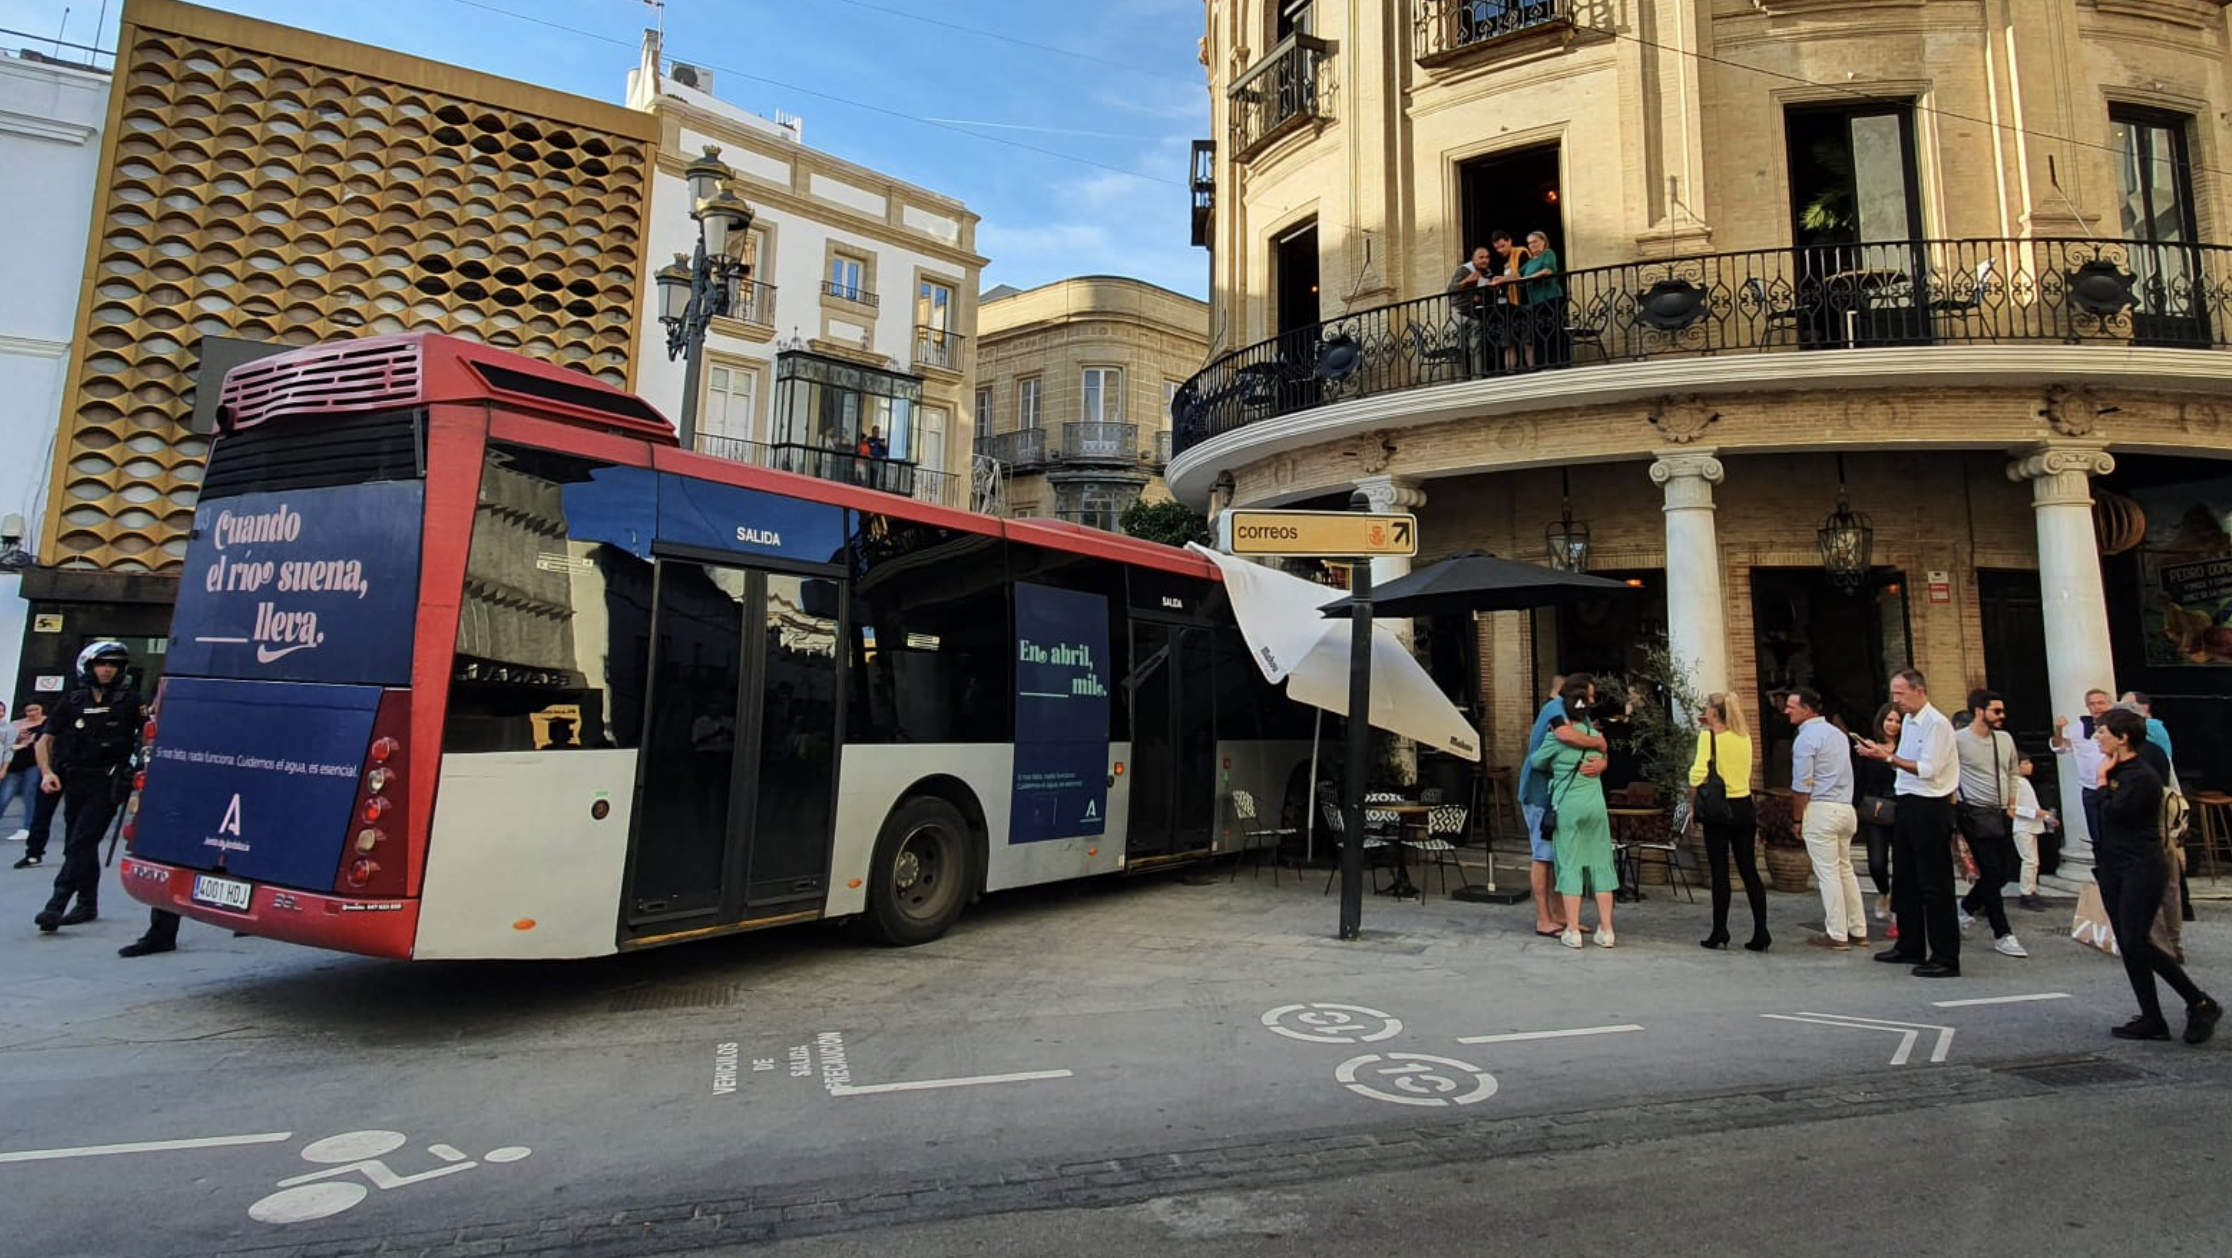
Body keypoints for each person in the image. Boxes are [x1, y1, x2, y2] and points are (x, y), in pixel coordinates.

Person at [2091, 707, 2218, 1045]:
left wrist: (2101, 783)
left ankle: (2200, 1002)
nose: (2097, 737)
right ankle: (2151, 1017)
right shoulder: (2116, 769)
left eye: (2102, 731)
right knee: (2128, 944)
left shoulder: (2141, 776)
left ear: (2122, 738)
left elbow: (2116, 813)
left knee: (2137, 940)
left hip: (2141, 866)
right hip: (2114, 865)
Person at [32, 641, 146, 934]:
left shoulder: (130, 701)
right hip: (74, 779)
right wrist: (46, 772)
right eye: (102, 664)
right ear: (89, 666)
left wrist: (139, 776)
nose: (107, 670)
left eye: (113, 665)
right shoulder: (72, 701)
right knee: (79, 842)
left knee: (81, 841)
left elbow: (148, 737)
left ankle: (55, 904)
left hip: (108, 780)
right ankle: (87, 902)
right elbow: (44, 739)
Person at [1856, 669, 1962, 978]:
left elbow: (1928, 768)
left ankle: (1945, 955)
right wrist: (1880, 753)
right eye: (1894, 693)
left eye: (1901, 693)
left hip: (1930, 805)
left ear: (1919, 691)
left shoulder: (1936, 724)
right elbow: (1903, 764)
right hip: (1907, 802)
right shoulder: (1911, 723)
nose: (1896, 700)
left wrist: (1887, 759)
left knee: (1935, 883)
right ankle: (1909, 944)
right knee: (1905, 879)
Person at [1529, 676, 1616, 949]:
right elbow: (1579, 739)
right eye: (1590, 696)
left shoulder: (1565, 731)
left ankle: (1572, 929)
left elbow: (1537, 759)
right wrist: (1599, 747)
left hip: (1567, 805)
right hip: (1595, 806)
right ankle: (1606, 930)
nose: (1593, 700)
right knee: (1601, 863)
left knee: (1568, 864)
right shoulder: (1584, 728)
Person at [1785, 687, 1864, 952]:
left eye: (1791, 706)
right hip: (1845, 807)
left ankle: (1837, 932)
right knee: (1845, 869)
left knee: (1828, 873)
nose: (1786, 711)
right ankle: (1858, 928)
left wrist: (1798, 818)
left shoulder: (1806, 739)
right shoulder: (1838, 734)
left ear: (1806, 709)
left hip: (1822, 808)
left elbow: (1801, 784)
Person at [1690, 692, 1768, 952]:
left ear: (1713, 711)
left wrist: (1692, 805)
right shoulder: (1744, 737)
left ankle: (1719, 929)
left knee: (1719, 870)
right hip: (1743, 804)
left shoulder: (1708, 737)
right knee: (1748, 868)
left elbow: (1698, 774)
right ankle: (1761, 930)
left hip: (1718, 808)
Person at [1954, 690, 2026, 958]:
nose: (2001, 716)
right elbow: (1949, 772)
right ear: (1978, 711)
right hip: (1973, 812)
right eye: (1996, 711)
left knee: (2002, 873)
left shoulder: (2004, 739)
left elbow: (2013, 772)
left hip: (2002, 812)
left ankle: (1966, 907)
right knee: (1991, 872)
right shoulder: (1958, 740)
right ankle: (2002, 933)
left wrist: (2012, 804)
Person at [1516, 673, 1573, 937]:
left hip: (1552, 796)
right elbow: (1556, 743)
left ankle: (1560, 914)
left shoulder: (1559, 709)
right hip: (1539, 795)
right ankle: (1543, 918)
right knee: (1543, 854)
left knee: (1557, 856)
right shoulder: (1555, 709)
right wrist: (1596, 742)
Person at [1854, 703, 1901, 928]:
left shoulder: (1906, 749)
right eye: (1889, 720)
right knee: (1876, 862)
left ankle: (1897, 907)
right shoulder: (1869, 748)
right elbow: (1859, 779)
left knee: (1902, 863)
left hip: (1901, 809)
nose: (1893, 725)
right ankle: (1884, 891)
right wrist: (1855, 805)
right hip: (1874, 809)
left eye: (1898, 721)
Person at [2050, 688, 2113, 852]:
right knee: (2097, 836)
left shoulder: (2121, 724)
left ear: (2109, 704)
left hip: (2116, 786)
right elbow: (2059, 747)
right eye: (2092, 704)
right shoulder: (2080, 728)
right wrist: (2058, 729)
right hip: (2091, 788)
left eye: (2100, 703)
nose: (2097, 707)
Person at [2012, 757, 2053, 912]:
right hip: (2022, 827)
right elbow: (2013, 808)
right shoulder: (2015, 783)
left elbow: (2032, 805)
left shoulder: (2024, 782)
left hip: (2031, 826)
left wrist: (2046, 817)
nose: (2030, 765)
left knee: (2034, 862)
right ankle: (2026, 893)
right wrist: (2037, 813)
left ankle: (2031, 890)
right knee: (2029, 861)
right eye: (2026, 763)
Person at [2, 702, 44, 849]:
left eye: (35, 709)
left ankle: (27, 828)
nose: (32, 713)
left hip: (34, 762)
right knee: (5, 795)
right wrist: (17, 737)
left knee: (29, 794)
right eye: (28, 710)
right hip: (15, 763)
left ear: (41, 709)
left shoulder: (46, 722)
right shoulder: (16, 723)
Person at [2118, 691, 2173, 764]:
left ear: (2145, 706)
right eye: (2122, 705)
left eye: (2130, 705)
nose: (2125, 708)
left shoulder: (2152, 725)